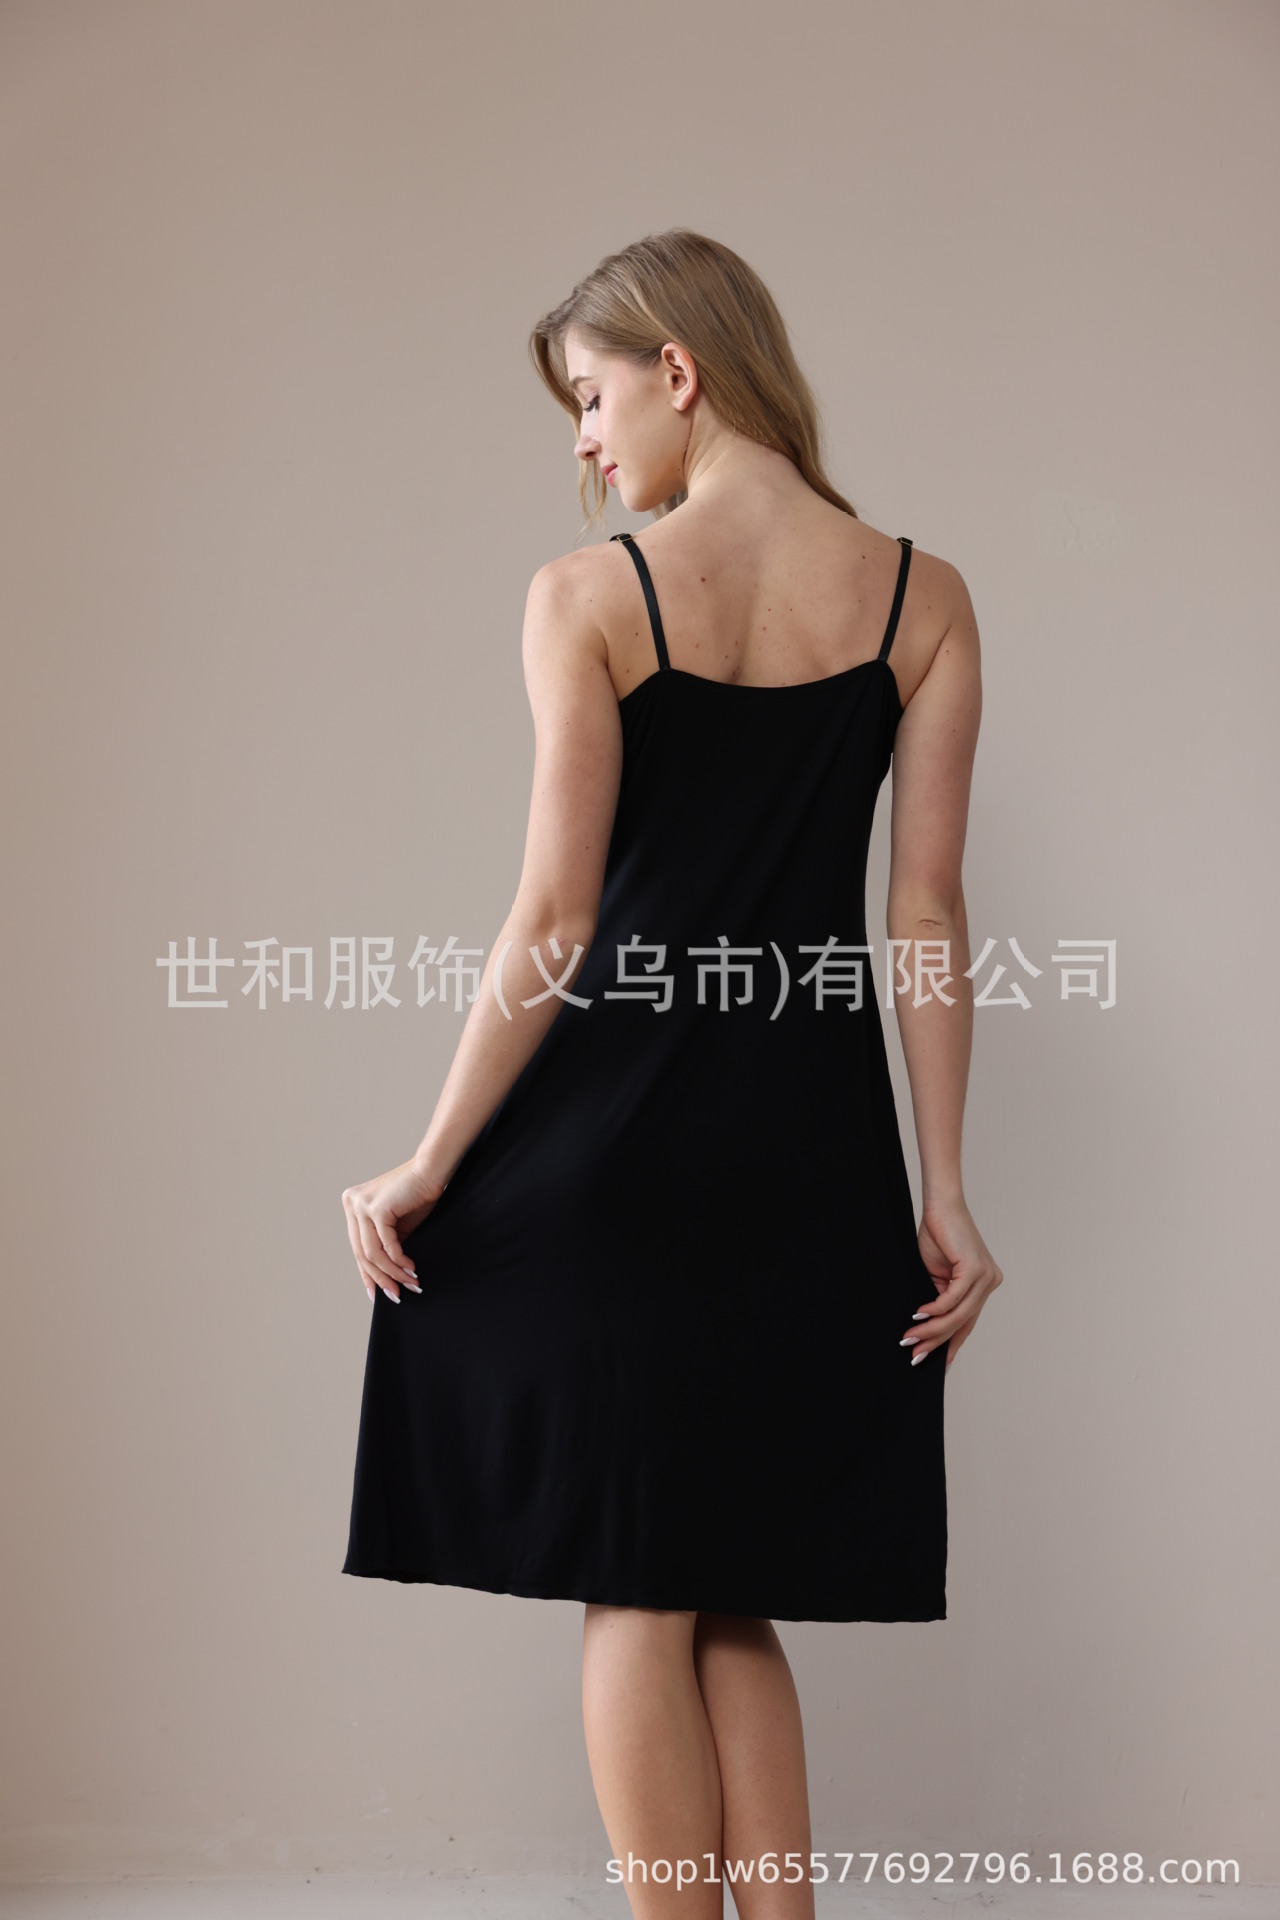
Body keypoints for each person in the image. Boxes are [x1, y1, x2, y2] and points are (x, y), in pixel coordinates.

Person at [340, 228, 1003, 1920]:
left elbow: (557, 920)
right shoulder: (923, 596)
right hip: (812, 1154)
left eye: (589, 395)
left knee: (634, 1583)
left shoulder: (589, 598)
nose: (584, 438)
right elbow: (925, 915)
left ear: (678, 371)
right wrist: (941, 1188)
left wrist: (429, 1159)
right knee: (725, 1583)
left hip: (616, 1146)